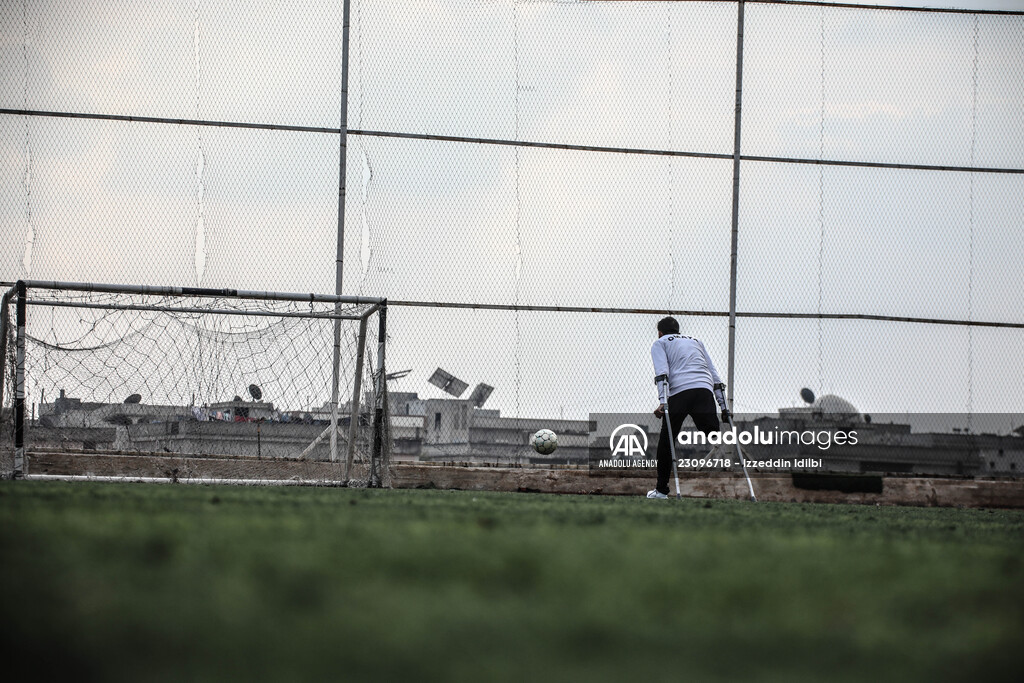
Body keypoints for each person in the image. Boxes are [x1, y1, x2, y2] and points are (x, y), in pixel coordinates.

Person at [648, 316, 730, 499]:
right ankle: (729, 455)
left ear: (660, 332)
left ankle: (661, 490)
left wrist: (663, 401)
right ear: (678, 331)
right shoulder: (696, 341)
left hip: (680, 392)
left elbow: (662, 374)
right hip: (704, 389)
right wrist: (723, 406)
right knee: (711, 430)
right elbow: (713, 373)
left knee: (667, 440)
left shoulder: (660, 343)